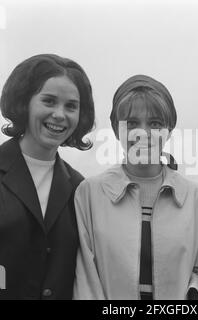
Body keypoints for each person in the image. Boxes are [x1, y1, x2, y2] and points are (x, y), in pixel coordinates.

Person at [73, 74, 198, 300]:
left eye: (155, 124)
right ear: (116, 129)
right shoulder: (89, 193)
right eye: (132, 124)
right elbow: (85, 280)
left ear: (169, 130)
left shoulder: (194, 196)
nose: (144, 133)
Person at [0, 54, 95, 299]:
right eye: (49, 101)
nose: (60, 114)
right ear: (24, 102)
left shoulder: (79, 187)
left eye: (71, 106)